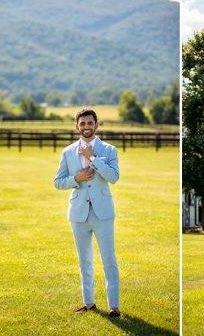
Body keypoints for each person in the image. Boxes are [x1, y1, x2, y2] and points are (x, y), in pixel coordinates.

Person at [54, 108, 121, 316]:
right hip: (79, 213)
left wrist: (93, 158)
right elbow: (57, 182)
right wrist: (76, 179)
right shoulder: (67, 152)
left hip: (103, 213)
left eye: (89, 123)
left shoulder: (109, 150)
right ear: (77, 127)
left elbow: (113, 177)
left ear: (96, 125)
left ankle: (114, 306)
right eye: (82, 123)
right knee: (85, 260)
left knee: (109, 259)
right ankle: (89, 302)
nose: (86, 127)